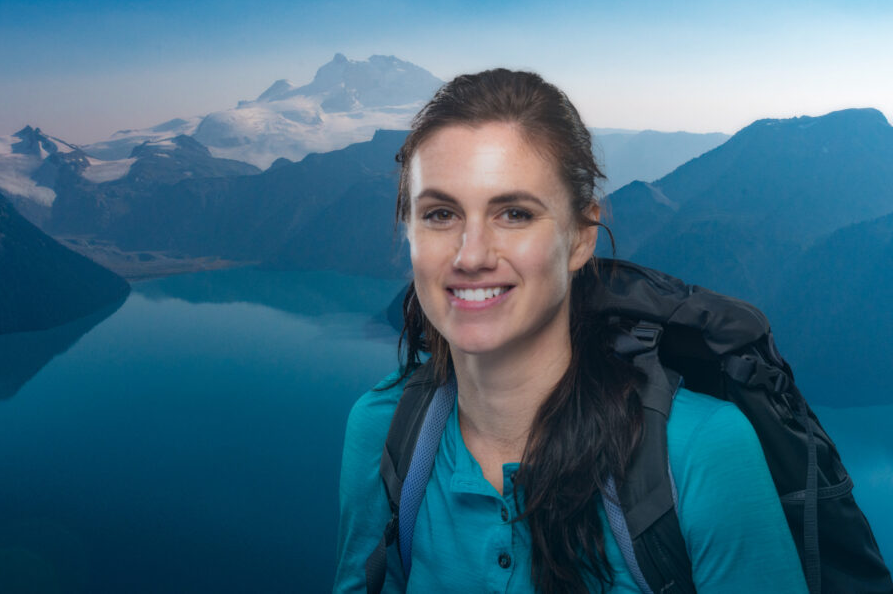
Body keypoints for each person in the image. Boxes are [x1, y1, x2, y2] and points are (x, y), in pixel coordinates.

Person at [333, 69, 809, 593]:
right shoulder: (383, 432)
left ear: (581, 237)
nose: (471, 255)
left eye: (514, 213)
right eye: (440, 214)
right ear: (409, 233)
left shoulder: (701, 453)